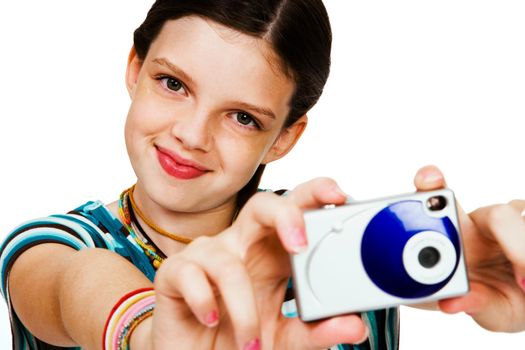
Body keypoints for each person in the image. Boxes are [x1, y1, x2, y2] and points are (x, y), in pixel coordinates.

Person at [1, 1, 524, 349]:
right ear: (135, 69)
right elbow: (78, 283)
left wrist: (469, 260)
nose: (192, 134)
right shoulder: (51, 247)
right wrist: (153, 335)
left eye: (242, 117)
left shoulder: (337, 246)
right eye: (172, 83)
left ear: (283, 138)